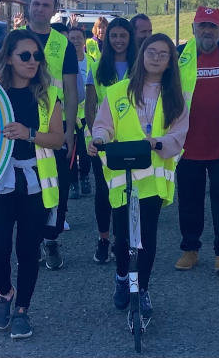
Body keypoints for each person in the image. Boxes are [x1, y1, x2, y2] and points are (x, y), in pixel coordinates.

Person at [88, 33, 189, 320]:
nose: (156, 58)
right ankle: (122, 278)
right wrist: (97, 139)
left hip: (154, 180)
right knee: (122, 237)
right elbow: (104, 125)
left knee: (146, 238)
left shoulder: (175, 97)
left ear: (170, 62)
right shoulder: (118, 92)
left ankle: (141, 288)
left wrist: (157, 143)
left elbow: (179, 135)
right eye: (151, 52)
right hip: (123, 177)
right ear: (142, 55)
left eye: (163, 54)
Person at [0, 29, 65, 339]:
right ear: (8, 58)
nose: (33, 61)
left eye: (37, 56)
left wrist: (28, 133)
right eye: (25, 56)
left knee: (28, 251)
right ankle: (5, 293)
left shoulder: (48, 94)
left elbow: (58, 140)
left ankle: (23, 311)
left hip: (35, 183)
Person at [174, 6, 219, 275]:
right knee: (189, 201)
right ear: (193, 28)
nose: (207, 31)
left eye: (213, 26)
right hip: (187, 145)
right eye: (202, 25)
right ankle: (190, 249)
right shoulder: (179, 55)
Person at [16, 0, 79, 270]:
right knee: (21, 187)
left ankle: (51, 238)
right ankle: (30, 240)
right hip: (19, 124)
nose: (40, 9)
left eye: (46, 5)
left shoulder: (62, 44)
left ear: (54, 10)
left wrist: (70, 129)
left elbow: (70, 89)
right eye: (36, 4)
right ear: (29, 7)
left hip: (52, 125)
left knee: (57, 185)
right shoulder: (14, 39)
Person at [84, 17, 137, 264]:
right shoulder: (96, 67)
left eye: (122, 36)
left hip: (130, 140)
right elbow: (91, 106)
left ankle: (122, 241)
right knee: (104, 193)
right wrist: (95, 136)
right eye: (113, 36)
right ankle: (104, 238)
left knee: (127, 191)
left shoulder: (139, 67)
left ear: (130, 38)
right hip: (103, 141)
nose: (117, 40)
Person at [62, 22, 91, 200]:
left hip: (87, 114)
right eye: (71, 39)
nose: (75, 41)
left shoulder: (92, 61)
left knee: (85, 150)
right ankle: (73, 182)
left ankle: (85, 176)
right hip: (69, 115)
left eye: (78, 38)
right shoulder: (64, 61)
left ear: (84, 41)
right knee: (70, 151)